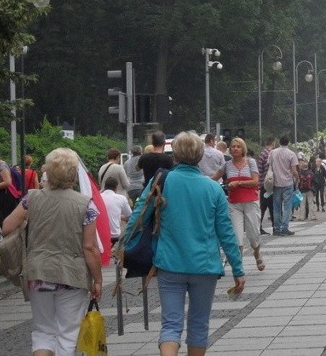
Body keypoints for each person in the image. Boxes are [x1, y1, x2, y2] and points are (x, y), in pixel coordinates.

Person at [132, 131, 245, 356]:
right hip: (204, 266)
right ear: (200, 155)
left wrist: (127, 248)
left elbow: (137, 216)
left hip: (169, 264)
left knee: (171, 325)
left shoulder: (162, 182)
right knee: (199, 324)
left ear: (175, 154)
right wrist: (238, 269)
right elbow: (226, 233)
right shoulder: (212, 189)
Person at [1, 147, 103, 356]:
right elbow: (90, 247)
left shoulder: (32, 198)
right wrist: (98, 280)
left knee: (43, 332)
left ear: (48, 171)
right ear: (73, 174)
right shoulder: (85, 205)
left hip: (38, 273)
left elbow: (7, 227)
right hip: (71, 276)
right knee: (68, 334)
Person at [214, 138, 264, 271]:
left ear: (243, 149)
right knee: (237, 236)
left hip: (250, 202)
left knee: (253, 234)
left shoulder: (250, 162)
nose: (235, 149)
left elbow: (255, 181)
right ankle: (238, 265)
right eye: (233, 146)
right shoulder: (227, 165)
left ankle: (257, 252)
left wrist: (239, 183)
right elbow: (214, 178)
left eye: (238, 147)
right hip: (234, 204)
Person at [269, 134, 299, 236]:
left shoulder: (273, 152)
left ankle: (276, 227)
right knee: (287, 206)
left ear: (279, 142)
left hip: (276, 182)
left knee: (276, 206)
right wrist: (297, 178)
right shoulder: (291, 154)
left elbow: (269, 165)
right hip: (288, 182)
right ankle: (284, 227)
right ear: (288, 142)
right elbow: (294, 170)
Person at [101, 175, 132, 245]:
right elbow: (130, 216)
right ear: (116, 187)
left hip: (100, 235)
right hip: (114, 235)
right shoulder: (121, 198)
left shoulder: (98, 197)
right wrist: (120, 216)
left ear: (105, 186)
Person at [257, 137, 275, 234]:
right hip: (270, 184)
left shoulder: (262, 154)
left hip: (263, 184)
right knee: (272, 205)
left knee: (263, 206)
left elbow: (259, 170)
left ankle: (259, 226)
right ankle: (274, 226)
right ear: (272, 143)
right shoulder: (271, 154)